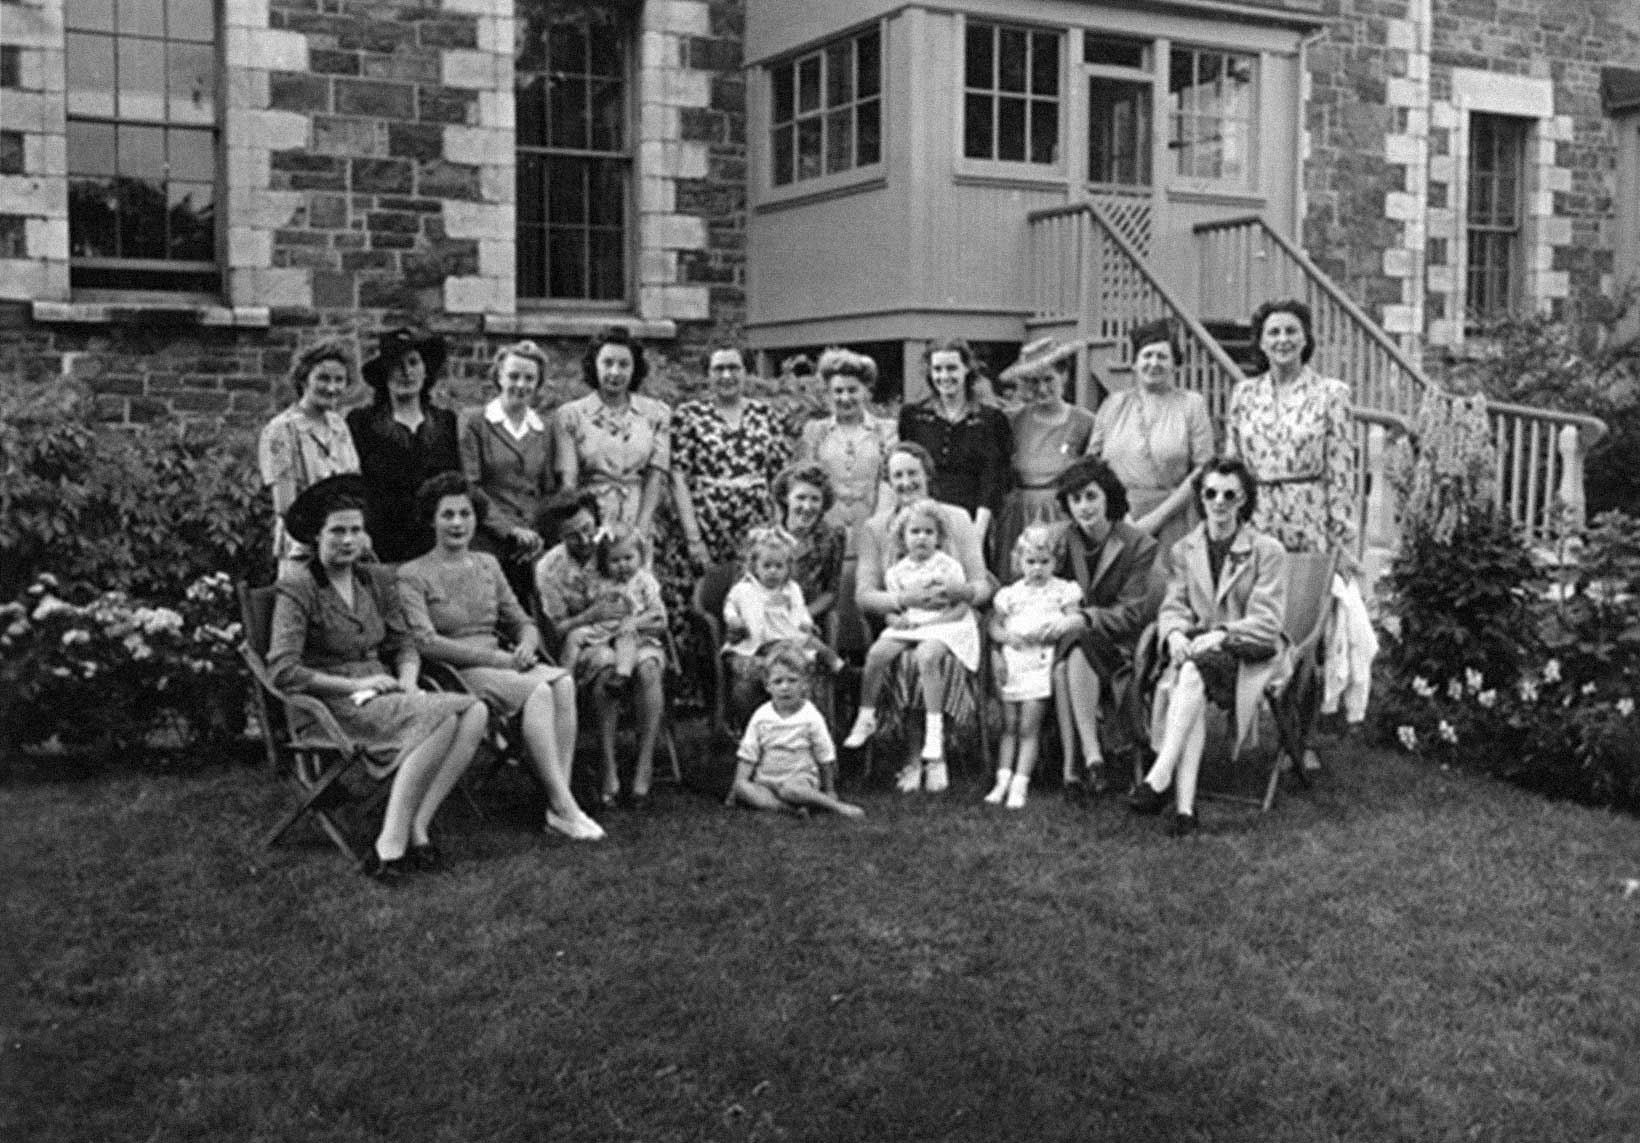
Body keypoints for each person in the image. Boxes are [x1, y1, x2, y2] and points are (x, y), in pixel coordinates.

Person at [266, 474, 488, 881]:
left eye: (356, 530)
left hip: (385, 692)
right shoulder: (299, 587)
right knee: (442, 719)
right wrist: (354, 686)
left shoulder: (373, 578)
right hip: (329, 705)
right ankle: (390, 843)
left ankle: (418, 825)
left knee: (475, 712)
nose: (348, 540)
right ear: (316, 536)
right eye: (337, 531)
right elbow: (283, 670)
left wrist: (409, 681)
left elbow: (404, 643)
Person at [396, 473, 604, 842]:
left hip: (502, 661)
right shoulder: (412, 574)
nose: (458, 523)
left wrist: (526, 644)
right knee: (540, 690)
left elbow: (521, 620)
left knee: (563, 681)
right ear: (431, 520)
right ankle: (564, 805)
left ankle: (559, 803)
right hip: (456, 670)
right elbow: (426, 643)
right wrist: (499, 662)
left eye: (465, 514)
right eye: (447, 515)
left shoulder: (488, 564)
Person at [1131, 458, 1289, 837]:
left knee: (1191, 673)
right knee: (1192, 675)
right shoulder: (1184, 550)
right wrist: (1174, 634)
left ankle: (1160, 775)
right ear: (1200, 498)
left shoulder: (1267, 551)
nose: (1219, 502)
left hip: (1250, 651)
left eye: (1229, 495)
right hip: (1201, 651)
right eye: (1210, 493)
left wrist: (1221, 634)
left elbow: (1268, 622)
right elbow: (1174, 606)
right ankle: (1184, 811)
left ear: (1244, 500)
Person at [851, 442, 994, 790]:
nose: (906, 482)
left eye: (912, 473)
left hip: (952, 619)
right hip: (905, 621)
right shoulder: (875, 528)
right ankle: (915, 757)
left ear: (928, 474)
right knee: (904, 658)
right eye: (897, 475)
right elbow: (864, 595)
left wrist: (963, 592)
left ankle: (936, 754)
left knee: (927, 657)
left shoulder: (956, 518)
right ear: (888, 482)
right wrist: (902, 601)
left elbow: (983, 584)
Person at [1049, 455, 1162, 797]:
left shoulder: (1138, 544)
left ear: (1108, 497)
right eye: (1075, 499)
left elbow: (1131, 613)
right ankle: (1091, 759)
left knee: (1074, 649)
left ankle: (1077, 766)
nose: (1084, 507)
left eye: (1091, 496)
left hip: (1119, 646)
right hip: (1063, 641)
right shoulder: (1059, 539)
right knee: (1070, 654)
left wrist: (1086, 617)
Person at [1225, 300, 1357, 560]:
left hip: (1309, 520)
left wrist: (1340, 532)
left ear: (1305, 339)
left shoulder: (1331, 394)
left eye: (1291, 331)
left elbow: (1340, 471)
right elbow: (1233, 464)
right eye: (1274, 333)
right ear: (1261, 343)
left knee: (1305, 585)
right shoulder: (1244, 394)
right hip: (1255, 521)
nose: (1283, 339)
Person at [1086, 319, 1215, 566]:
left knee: (1169, 582)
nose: (1153, 363)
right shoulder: (1113, 404)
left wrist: (1155, 518)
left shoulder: (1191, 404)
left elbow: (1203, 469)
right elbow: (1093, 465)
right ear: (1135, 363)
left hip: (1174, 517)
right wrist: (1121, 515)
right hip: (1118, 517)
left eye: (1162, 357)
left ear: (1174, 364)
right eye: (1147, 355)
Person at [986, 525, 1084, 809]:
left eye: (1044, 561)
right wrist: (1006, 638)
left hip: (1041, 661)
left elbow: (1075, 619)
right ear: (1019, 561)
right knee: (1010, 725)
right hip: (1014, 660)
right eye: (1030, 561)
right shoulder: (1010, 594)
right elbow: (994, 626)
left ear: (1055, 562)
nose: (1037, 568)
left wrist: (1059, 626)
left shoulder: (1063, 591)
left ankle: (1020, 783)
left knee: (1029, 726)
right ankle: (1001, 780)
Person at [667, 346, 790, 571]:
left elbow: (780, 477)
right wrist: (694, 537)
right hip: (706, 527)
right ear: (708, 374)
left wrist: (778, 528)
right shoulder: (689, 415)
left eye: (734, 368)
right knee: (708, 589)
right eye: (718, 369)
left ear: (746, 372)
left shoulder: (765, 414)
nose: (726, 375)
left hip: (757, 529)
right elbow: (677, 477)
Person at [575, 522, 668, 809]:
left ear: (640, 557)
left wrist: (633, 622)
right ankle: (608, 768)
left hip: (641, 638)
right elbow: (589, 613)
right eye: (614, 560)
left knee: (648, 668)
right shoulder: (597, 584)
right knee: (605, 673)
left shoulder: (644, 581)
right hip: (605, 641)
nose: (623, 565)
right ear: (604, 562)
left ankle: (644, 766)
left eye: (629, 558)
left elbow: (660, 618)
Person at [348, 329, 460, 564]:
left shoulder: (446, 423)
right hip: (381, 545)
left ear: (425, 371)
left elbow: (456, 484)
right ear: (385, 373)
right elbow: (353, 485)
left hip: (435, 544)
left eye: (413, 363)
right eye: (397, 365)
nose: (406, 372)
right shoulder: (362, 423)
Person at [460, 340, 558, 605]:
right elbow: (471, 486)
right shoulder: (476, 422)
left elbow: (547, 489)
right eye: (514, 376)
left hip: (531, 541)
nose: (521, 385)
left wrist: (535, 534)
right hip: (486, 536)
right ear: (499, 377)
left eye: (529, 378)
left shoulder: (544, 429)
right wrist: (509, 530)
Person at [994, 337, 1096, 578]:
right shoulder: (1014, 420)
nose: (1041, 389)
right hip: (1020, 514)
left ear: (1064, 376)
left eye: (1048, 379)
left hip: (1062, 516)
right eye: (1033, 381)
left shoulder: (1084, 422)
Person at [258, 340, 362, 575]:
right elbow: (286, 506)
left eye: (339, 380)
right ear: (304, 379)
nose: (332, 388)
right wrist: (327, 536)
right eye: (323, 379)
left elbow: (354, 487)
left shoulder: (339, 426)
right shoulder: (281, 430)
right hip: (303, 553)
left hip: (344, 550)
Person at [897, 338, 1012, 550]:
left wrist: (978, 530)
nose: (944, 376)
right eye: (937, 369)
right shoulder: (913, 417)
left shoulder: (991, 420)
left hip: (971, 520)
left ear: (966, 368)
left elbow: (993, 476)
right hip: (924, 522)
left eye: (951, 368)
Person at [554, 326, 670, 533]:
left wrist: (640, 531)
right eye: (607, 363)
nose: (615, 372)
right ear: (594, 366)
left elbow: (655, 477)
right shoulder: (571, 415)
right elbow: (568, 482)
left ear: (634, 368)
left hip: (638, 515)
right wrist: (583, 520)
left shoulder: (656, 414)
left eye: (624, 364)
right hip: (590, 514)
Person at [722, 526, 842, 725]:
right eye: (767, 566)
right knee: (754, 675)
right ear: (755, 566)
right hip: (755, 643)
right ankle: (755, 726)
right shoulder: (743, 589)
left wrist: (806, 624)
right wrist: (734, 620)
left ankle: (837, 666)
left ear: (788, 568)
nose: (773, 571)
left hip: (787, 639)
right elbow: (730, 606)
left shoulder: (791, 589)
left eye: (779, 566)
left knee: (811, 645)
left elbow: (801, 611)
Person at [729, 644, 864, 819]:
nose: (785, 687)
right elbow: (748, 753)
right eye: (778, 682)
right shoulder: (761, 716)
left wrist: (830, 789)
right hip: (766, 781)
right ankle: (787, 809)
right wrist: (737, 787)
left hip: (799, 780)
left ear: (804, 684)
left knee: (791, 790)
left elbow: (825, 754)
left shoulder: (810, 716)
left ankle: (836, 806)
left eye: (792, 680)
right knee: (743, 787)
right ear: (768, 686)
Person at [794, 348, 898, 550]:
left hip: (872, 534)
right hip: (826, 535)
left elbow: (889, 483)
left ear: (865, 390)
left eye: (852, 390)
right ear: (828, 393)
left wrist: (878, 528)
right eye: (838, 391)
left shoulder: (886, 430)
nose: (845, 397)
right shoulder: (816, 431)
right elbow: (806, 484)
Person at [770, 461, 846, 635]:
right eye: (801, 497)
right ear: (785, 498)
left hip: (808, 622)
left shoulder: (833, 538)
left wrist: (800, 616)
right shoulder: (761, 537)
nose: (807, 507)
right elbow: (743, 591)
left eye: (815, 499)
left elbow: (831, 592)